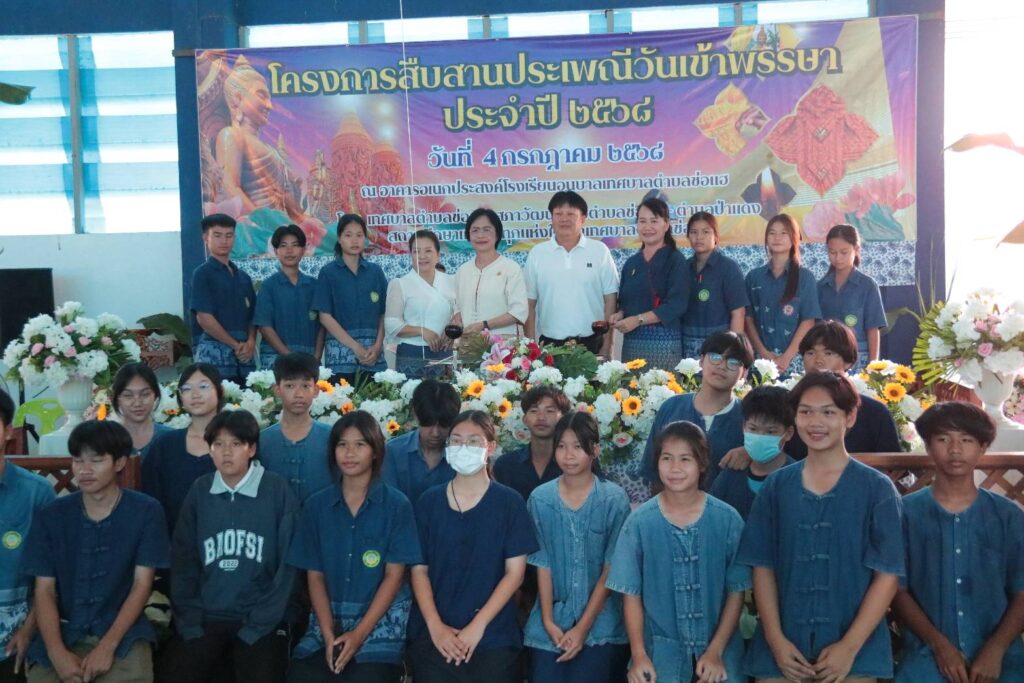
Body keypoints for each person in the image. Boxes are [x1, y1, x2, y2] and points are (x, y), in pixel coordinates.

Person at [738, 372, 904, 682]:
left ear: (849, 417)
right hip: (782, 650)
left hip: (856, 653)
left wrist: (849, 648)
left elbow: (888, 575)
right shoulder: (776, 487)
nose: (815, 422)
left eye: (828, 412)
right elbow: (762, 567)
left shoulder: (877, 489)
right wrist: (776, 641)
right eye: (806, 412)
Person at [23, 420, 169, 683]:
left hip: (123, 633)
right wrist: (56, 653)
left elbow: (142, 584)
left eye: (96, 460)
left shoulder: (146, 511)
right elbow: (44, 590)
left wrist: (107, 647)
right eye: (78, 460)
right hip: (62, 630)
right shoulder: (52, 515)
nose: (84, 470)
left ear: (120, 463)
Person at [160, 410, 298, 683]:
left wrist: (259, 624)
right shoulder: (200, 491)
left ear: (251, 449)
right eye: (218, 444)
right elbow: (184, 559)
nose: (226, 452)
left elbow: (288, 568)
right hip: (207, 617)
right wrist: (191, 622)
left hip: (260, 619)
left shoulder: (276, 490)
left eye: (235, 444)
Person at [608, 421, 749, 682]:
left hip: (721, 652)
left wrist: (715, 651)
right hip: (660, 654)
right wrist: (639, 655)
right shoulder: (639, 523)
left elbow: (736, 591)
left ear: (702, 463)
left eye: (685, 459)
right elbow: (630, 594)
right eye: (667, 458)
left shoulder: (727, 520)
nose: (675, 468)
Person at [892, 402, 1024, 683]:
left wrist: (997, 648)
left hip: (1000, 656)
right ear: (928, 446)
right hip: (925, 655)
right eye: (943, 439)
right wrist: (939, 645)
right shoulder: (905, 514)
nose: (955, 450)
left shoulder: (1007, 515)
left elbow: (1022, 590)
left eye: (966, 440)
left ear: (983, 447)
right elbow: (896, 589)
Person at [286, 411, 421, 683]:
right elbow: (314, 576)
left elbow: (394, 576)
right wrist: (328, 635)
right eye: (342, 444)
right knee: (301, 675)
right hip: (325, 625)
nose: (349, 453)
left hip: (378, 628)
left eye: (360, 444)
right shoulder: (316, 506)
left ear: (375, 451)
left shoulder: (397, 506)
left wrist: (358, 634)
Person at [408, 411, 539, 683]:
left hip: (493, 638)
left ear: (490, 447)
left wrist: (477, 628)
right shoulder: (429, 502)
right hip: (435, 636)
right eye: (456, 441)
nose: (463, 447)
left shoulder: (509, 503)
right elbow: (419, 570)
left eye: (473, 441)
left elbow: (514, 574)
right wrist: (436, 627)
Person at [525, 412, 631, 683]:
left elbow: (611, 569)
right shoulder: (540, 499)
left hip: (601, 626)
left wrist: (582, 628)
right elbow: (542, 563)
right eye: (561, 446)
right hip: (551, 622)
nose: (568, 455)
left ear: (595, 450)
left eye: (578, 446)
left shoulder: (613, 499)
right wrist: (548, 620)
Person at [641, 331, 751, 489]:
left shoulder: (749, 417)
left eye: (733, 361)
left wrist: (752, 453)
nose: (722, 366)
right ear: (701, 360)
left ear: (744, 372)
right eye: (715, 357)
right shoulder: (671, 407)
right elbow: (652, 471)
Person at [0, 389, 55, 683]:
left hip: (19, 637)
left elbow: (53, 573)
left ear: (8, 431)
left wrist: (28, 630)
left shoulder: (37, 493)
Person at [524, 191, 619, 356]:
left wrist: (608, 345)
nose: (564, 219)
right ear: (551, 218)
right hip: (550, 347)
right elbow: (529, 303)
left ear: (583, 218)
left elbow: (610, 299)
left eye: (571, 214)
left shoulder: (599, 251)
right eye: (558, 214)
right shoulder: (537, 253)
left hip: (592, 344)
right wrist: (530, 347)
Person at [142, 363, 224, 535]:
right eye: (187, 389)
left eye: (203, 386)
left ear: (220, 390)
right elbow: (151, 501)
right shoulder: (165, 445)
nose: (195, 394)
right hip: (174, 541)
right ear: (180, 396)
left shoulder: (238, 444)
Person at [610, 195, 688, 370]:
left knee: (662, 387)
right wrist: (620, 314)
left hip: (664, 346)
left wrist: (638, 320)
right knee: (632, 387)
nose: (647, 227)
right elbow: (625, 301)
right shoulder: (632, 263)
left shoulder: (676, 261)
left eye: (654, 221)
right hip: (632, 346)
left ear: (666, 225)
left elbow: (676, 305)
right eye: (642, 221)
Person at [313, 214, 387, 383]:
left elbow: (383, 314)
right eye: (348, 235)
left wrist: (377, 347)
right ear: (339, 239)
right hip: (340, 363)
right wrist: (355, 347)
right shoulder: (328, 273)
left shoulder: (375, 272)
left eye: (359, 235)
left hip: (373, 359)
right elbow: (324, 316)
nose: (354, 240)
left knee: (377, 400)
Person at [745, 213, 821, 376]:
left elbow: (808, 321)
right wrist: (763, 353)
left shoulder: (805, 277)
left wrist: (786, 358)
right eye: (772, 233)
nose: (777, 237)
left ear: (794, 238)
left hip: (793, 363)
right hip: (760, 361)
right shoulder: (754, 277)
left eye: (783, 233)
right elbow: (748, 319)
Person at [190, 213, 257, 384]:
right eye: (217, 235)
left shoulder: (243, 277)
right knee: (215, 399)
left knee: (248, 399)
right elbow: (204, 318)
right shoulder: (202, 274)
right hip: (213, 357)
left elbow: (252, 317)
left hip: (244, 358)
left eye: (229, 235)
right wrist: (235, 345)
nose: (224, 241)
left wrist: (250, 342)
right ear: (206, 238)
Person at [709, 386, 795, 520]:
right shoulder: (729, 476)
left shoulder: (796, 479)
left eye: (770, 431)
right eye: (753, 429)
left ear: (788, 433)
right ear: (743, 426)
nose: (760, 437)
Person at [259, 352, 333, 502]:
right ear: (277, 389)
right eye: (290, 386)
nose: (298, 394)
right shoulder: (262, 440)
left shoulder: (332, 437)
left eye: (306, 386)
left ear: (316, 390)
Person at [384, 230, 456, 379]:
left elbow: (459, 314)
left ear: (438, 254)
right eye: (416, 251)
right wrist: (422, 331)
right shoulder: (400, 284)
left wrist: (452, 331)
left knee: (446, 393)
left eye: (428, 251)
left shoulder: (452, 282)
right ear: (410, 255)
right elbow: (391, 323)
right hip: (411, 353)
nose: (422, 256)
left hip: (444, 353)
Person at [253, 224, 324, 369]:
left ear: (303, 250)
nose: (289, 251)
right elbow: (264, 326)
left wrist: (316, 356)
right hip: (277, 361)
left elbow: (322, 324)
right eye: (283, 246)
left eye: (295, 245)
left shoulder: (315, 286)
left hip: (309, 360)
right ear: (275, 251)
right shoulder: (268, 286)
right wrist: (288, 356)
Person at [680, 211, 748, 359]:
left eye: (706, 232)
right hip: (687, 345)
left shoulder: (728, 268)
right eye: (693, 232)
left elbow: (738, 313)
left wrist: (734, 350)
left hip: (719, 345)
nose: (699, 237)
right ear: (688, 236)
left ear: (716, 236)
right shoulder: (683, 267)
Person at [451, 208, 528, 338]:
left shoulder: (511, 268)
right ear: (468, 235)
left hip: (502, 343)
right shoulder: (463, 270)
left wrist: (484, 325)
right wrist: (457, 318)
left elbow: (518, 312)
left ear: (497, 234)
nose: (480, 235)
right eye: (475, 230)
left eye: (487, 230)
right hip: (469, 343)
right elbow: (457, 306)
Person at [817, 224, 886, 370]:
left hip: (858, 359)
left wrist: (873, 367)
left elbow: (873, 329)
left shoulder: (867, 285)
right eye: (832, 252)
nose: (838, 258)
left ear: (856, 249)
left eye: (844, 252)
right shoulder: (821, 286)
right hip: (827, 359)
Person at [381, 379, 460, 504]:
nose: (435, 433)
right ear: (415, 415)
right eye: (428, 423)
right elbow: (389, 503)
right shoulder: (393, 452)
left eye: (443, 425)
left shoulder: (462, 454)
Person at [492, 385, 569, 502]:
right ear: (525, 419)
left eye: (550, 411)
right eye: (534, 411)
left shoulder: (572, 464)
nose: (541, 417)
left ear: (563, 418)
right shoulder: (505, 465)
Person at [110, 363, 171, 459]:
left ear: (155, 395)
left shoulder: (171, 438)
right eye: (128, 395)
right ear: (117, 398)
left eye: (145, 394)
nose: (137, 403)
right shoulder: (106, 440)